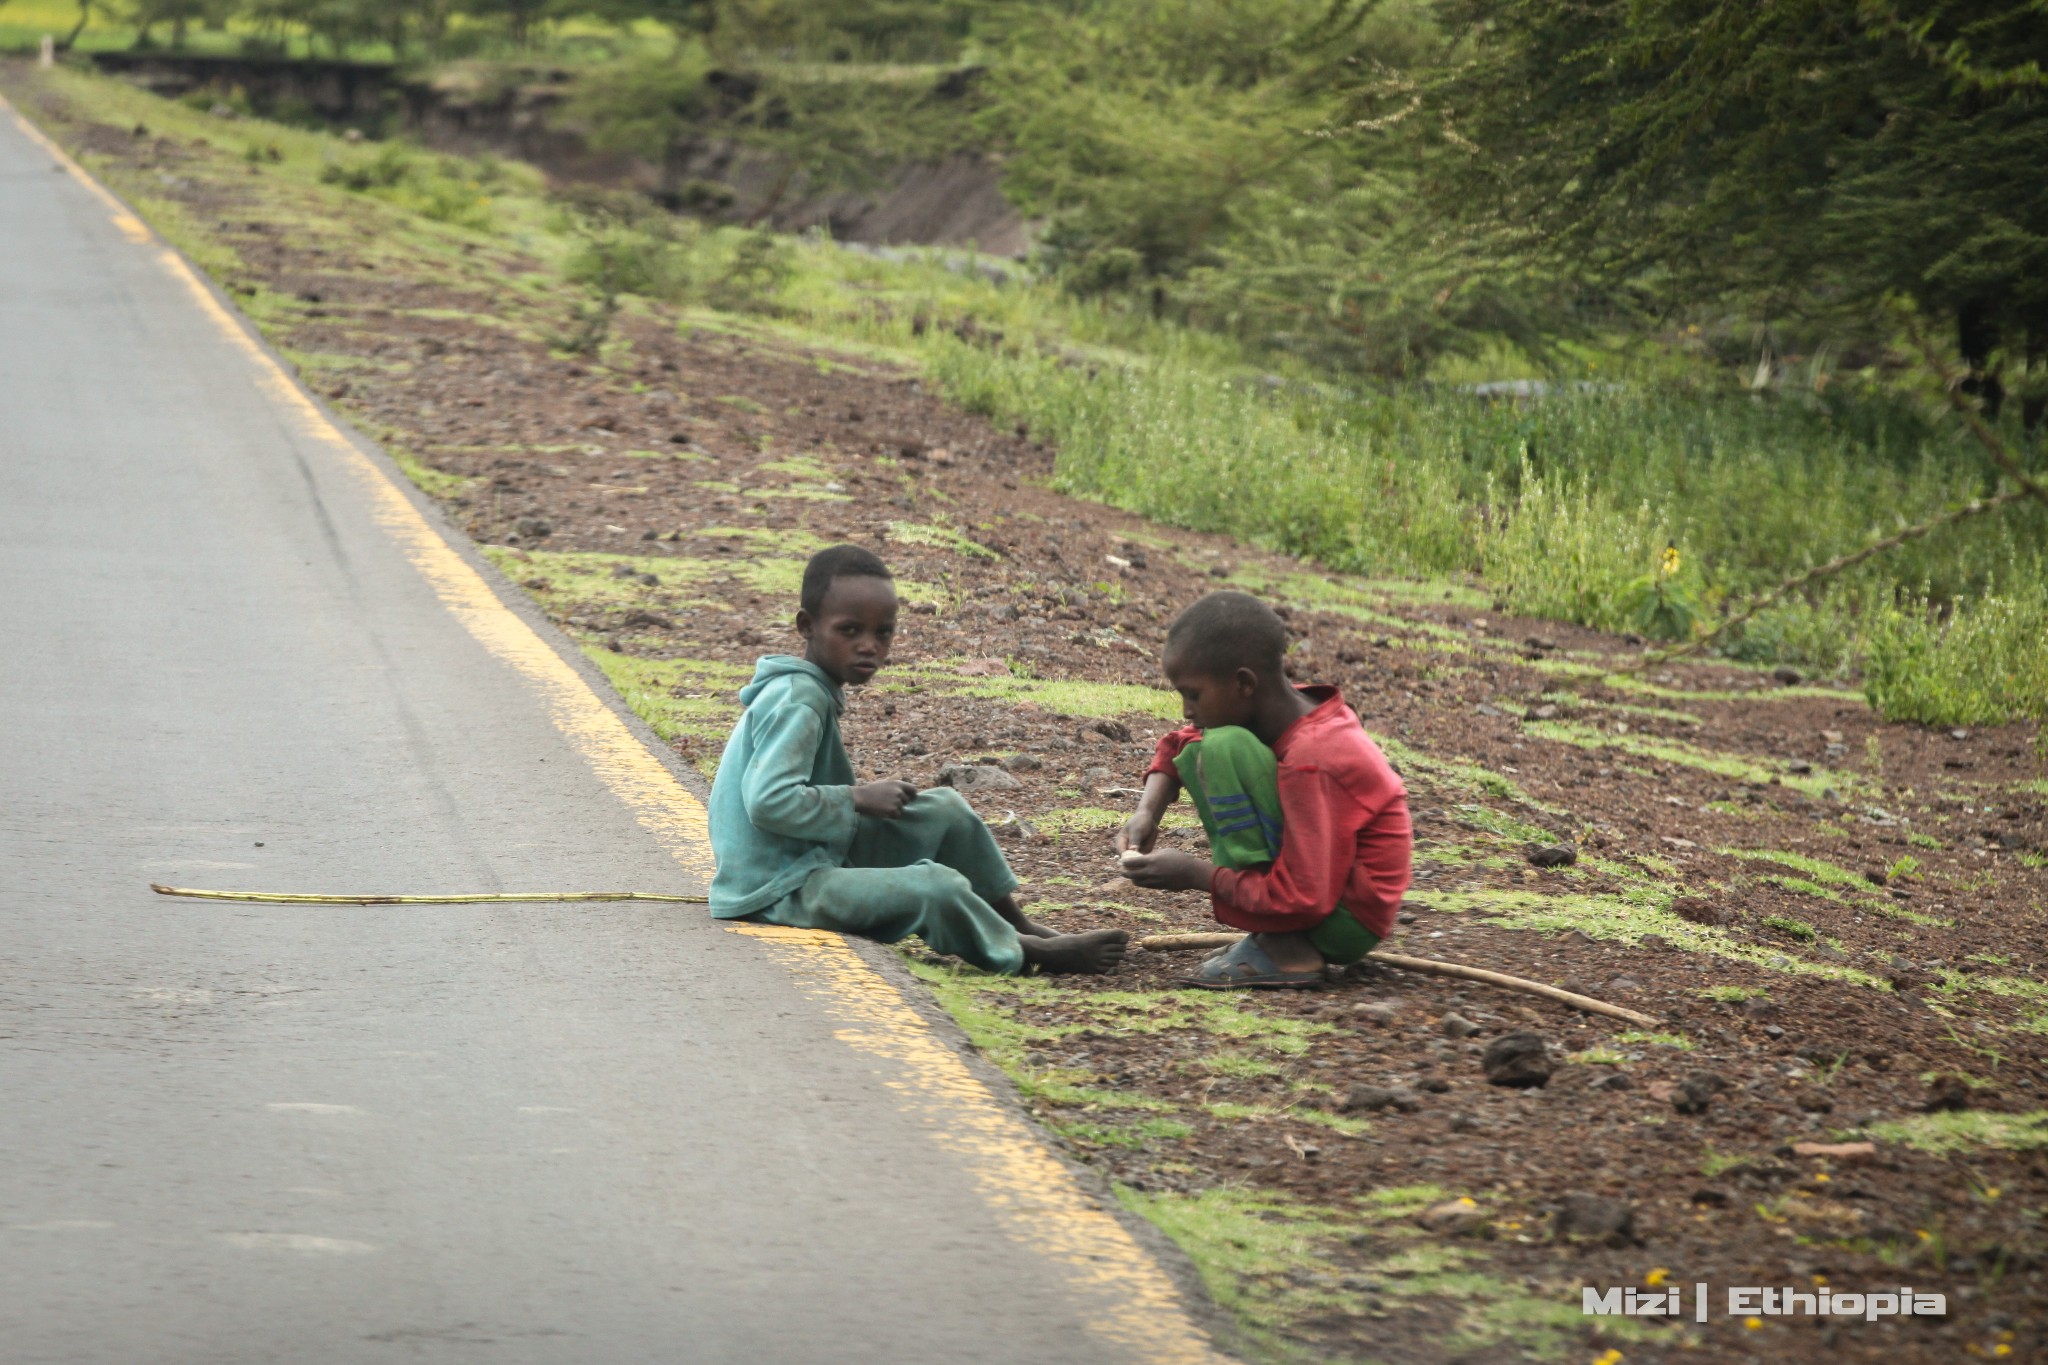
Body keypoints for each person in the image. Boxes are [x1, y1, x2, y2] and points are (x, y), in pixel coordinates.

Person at [708, 544, 1130, 975]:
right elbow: (767, 803)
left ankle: (1016, 922)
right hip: (777, 888)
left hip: (808, 856)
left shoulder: (811, 690)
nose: (868, 646)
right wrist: (855, 797)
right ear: (807, 626)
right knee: (932, 885)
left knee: (946, 809)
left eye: (883, 632)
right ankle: (1026, 951)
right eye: (850, 630)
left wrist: (854, 801)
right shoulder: (799, 699)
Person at [1117, 591, 1411, 987]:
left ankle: (1285, 946)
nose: (1187, 709)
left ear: (1243, 683)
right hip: (1323, 896)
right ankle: (1276, 934)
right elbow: (1178, 743)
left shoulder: (1314, 756)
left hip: (1345, 917)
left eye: (1193, 694)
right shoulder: (1276, 709)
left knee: (1221, 746)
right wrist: (1146, 813)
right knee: (1214, 742)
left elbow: (1308, 897)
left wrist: (1195, 874)